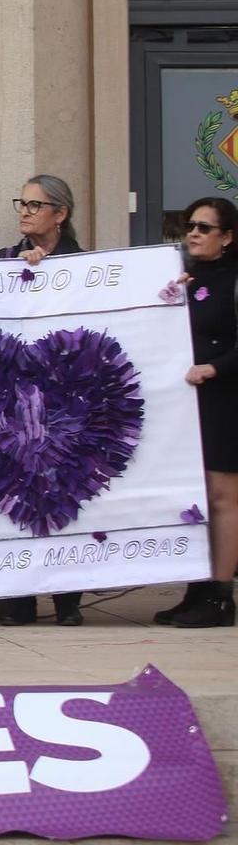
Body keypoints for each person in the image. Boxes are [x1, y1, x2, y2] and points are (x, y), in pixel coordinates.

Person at [0, 173, 86, 626]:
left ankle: (68, 600)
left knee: (65, 492)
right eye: (22, 203)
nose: (25, 212)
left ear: (61, 214)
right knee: (16, 494)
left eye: (35, 205)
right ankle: (19, 599)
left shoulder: (86, 265)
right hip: (15, 402)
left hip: (65, 400)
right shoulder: (2, 261)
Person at [167, 196, 238, 629]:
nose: (193, 232)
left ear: (227, 237)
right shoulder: (183, 277)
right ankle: (195, 587)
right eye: (189, 224)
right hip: (185, 402)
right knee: (192, 493)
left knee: (222, 496)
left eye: (204, 227)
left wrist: (214, 367)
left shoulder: (231, 280)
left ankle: (221, 594)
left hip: (223, 398)